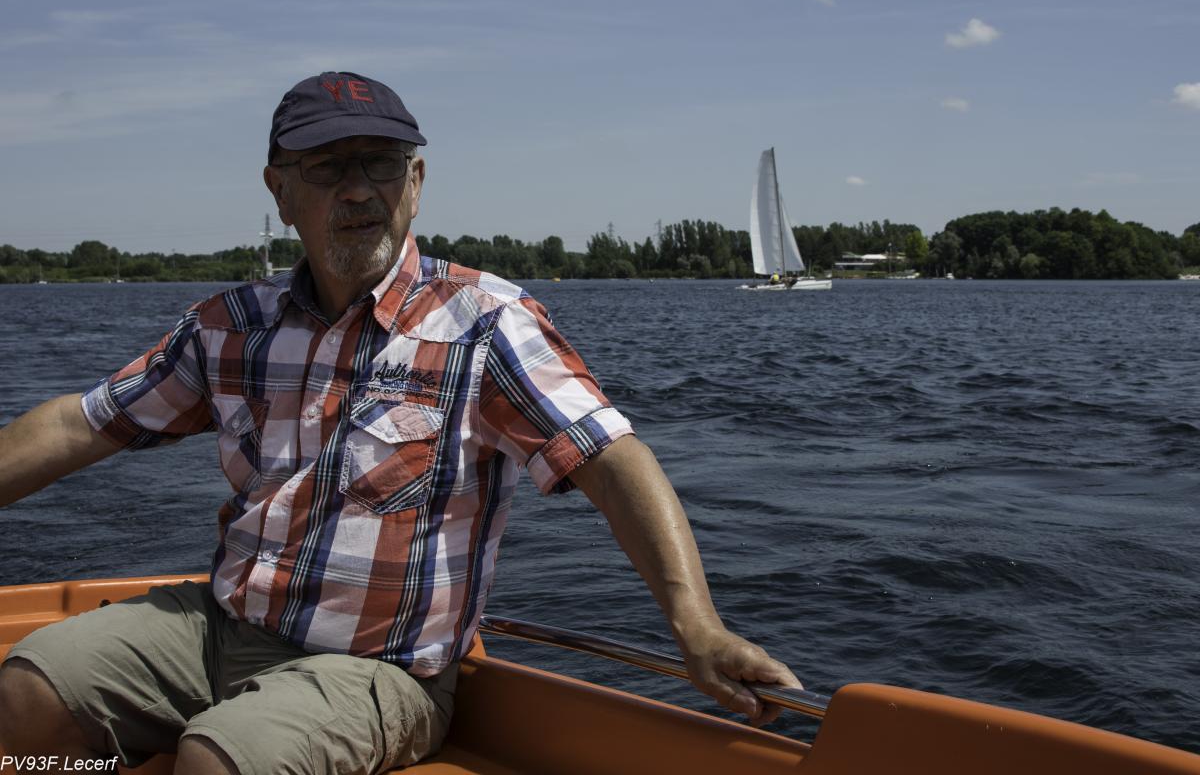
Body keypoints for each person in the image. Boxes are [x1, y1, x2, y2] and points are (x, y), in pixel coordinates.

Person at [0, 72, 800, 774]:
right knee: (29, 689)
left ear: (414, 182)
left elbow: (610, 460)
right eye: (327, 167)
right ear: (280, 192)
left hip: (380, 671)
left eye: (380, 164)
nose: (358, 190)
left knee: (225, 757)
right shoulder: (229, 327)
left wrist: (697, 625)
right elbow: (79, 425)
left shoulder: (484, 325)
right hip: (222, 627)